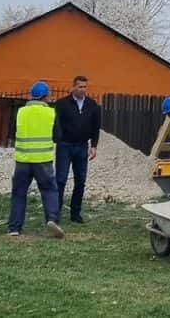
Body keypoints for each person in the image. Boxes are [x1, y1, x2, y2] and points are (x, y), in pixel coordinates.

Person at [8, 81, 64, 238]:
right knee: (49, 191)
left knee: (19, 193)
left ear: (31, 96)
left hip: (23, 160)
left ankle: (14, 228)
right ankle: (52, 220)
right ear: (46, 96)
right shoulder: (51, 113)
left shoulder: (21, 112)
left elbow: (12, 134)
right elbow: (57, 136)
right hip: (43, 160)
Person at [53, 74, 101, 224]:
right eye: (80, 86)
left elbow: (96, 127)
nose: (83, 90)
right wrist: (58, 139)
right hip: (65, 146)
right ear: (73, 87)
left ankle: (75, 213)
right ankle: (55, 214)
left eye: (85, 87)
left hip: (82, 147)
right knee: (60, 180)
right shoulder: (62, 104)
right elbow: (56, 123)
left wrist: (94, 145)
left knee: (80, 181)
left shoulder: (92, 105)